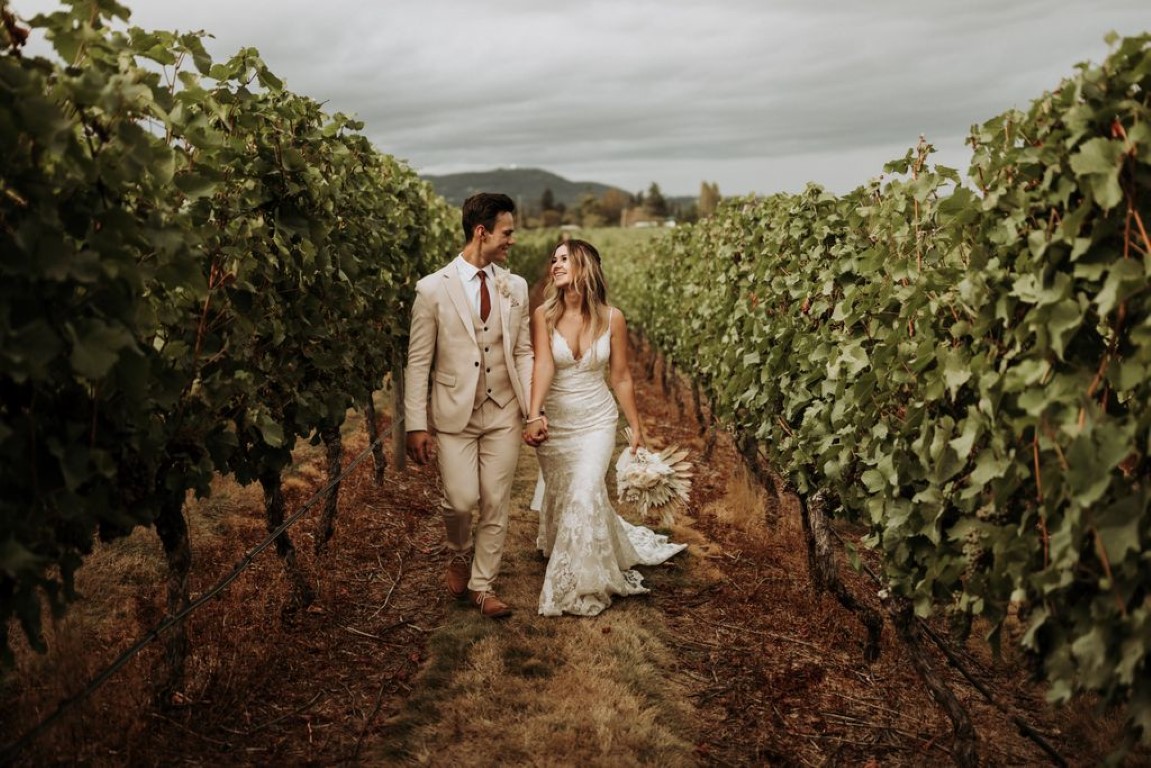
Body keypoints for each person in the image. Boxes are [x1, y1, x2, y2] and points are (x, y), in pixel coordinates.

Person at [523, 238, 686, 617]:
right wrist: (534, 414)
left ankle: (581, 582)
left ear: (584, 266)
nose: (556, 265)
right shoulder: (543, 316)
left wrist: (636, 426)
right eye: (554, 260)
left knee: (585, 491)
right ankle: (573, 545)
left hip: (597, 419)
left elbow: (622, 377)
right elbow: (543, 367)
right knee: (568, 496)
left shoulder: (613, 318)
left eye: (565, 259)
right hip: (558, 423)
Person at [404, 192, 539, 619]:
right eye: (507, 232)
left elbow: (523, 351)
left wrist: (532, 409)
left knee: (496, 500)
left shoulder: (515, 286)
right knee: (461, 501)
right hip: (454, 411)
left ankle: (483, 586)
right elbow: (418, 361)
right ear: (482, 232)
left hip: (503, 410)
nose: (511, 240)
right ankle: (458, 552)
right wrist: (415, 424)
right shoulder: (431, 289)